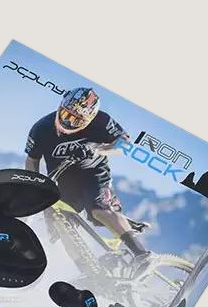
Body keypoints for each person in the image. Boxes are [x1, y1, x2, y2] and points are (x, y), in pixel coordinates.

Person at [24, 86, 152, 267]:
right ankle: (87, 270)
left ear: (90, 118)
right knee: (62, 226)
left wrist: (97, 149)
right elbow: (32, 160)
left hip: (94, 172)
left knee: (98, 210)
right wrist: (34, 186)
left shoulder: (102, 120)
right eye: (66, 115)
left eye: (77, 120)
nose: (68, 122)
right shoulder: (41, 128)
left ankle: (142, 255)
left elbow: (124, 144)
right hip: (63, 180)